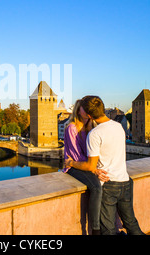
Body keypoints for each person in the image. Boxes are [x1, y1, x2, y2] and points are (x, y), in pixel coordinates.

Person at [65, 95, 144, 235]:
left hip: (109, 184)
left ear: (89, 115)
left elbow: (90, 166)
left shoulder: (95, 134)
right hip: (125, 181)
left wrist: (70, 162)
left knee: (108, 230)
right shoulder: (118, 126)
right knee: (132, 224)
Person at [63, 100, 109, 235]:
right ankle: (95, 230)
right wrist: (94, 169)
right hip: (74, 166)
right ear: (78, 111)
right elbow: (76, 154)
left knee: (104, 184)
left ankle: (105, 225)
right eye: (85, 109)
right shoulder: (72, 128)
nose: (89, 112)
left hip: (86, 165)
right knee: (96, 187)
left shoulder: (89, 128)